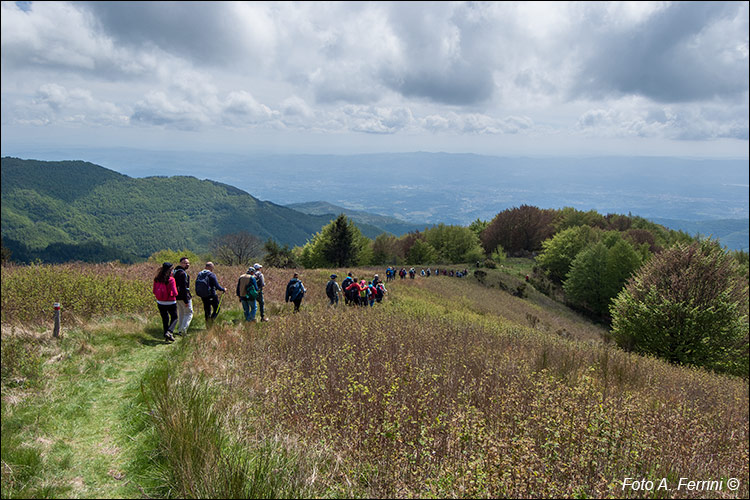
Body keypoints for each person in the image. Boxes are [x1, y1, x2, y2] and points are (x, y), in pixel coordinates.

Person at [152, 262, 178, 342]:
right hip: (170, 302)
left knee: (165, 318)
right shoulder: (171, 279)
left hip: (160, 302)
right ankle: (169, 332)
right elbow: (175, 292)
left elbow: (154, 291)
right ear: (170, 270)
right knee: (175, 317)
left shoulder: (157, 279)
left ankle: (166, 336)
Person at [195, 262, 225, 328]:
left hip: (203, 295)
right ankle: (211, 320)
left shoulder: (200, 274)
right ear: (210, 267)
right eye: (212, 267)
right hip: (211, 294)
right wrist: (223, 289)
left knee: (207, 310)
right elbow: (217, 286)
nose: (213, 268)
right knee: (217, 309)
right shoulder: (211, 275)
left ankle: (207, 325)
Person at [173, 257, 193, 336]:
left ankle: (180, 330)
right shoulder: (182, 274)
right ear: (181, 263)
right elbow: (183, 288)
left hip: (177, 296)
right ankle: (183, 330)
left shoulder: (175, 272)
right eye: (185, 263)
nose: (187, 264)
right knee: (189, 313)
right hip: (183, 296)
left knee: (181, 313)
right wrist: (186, 300)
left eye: (188, 263)